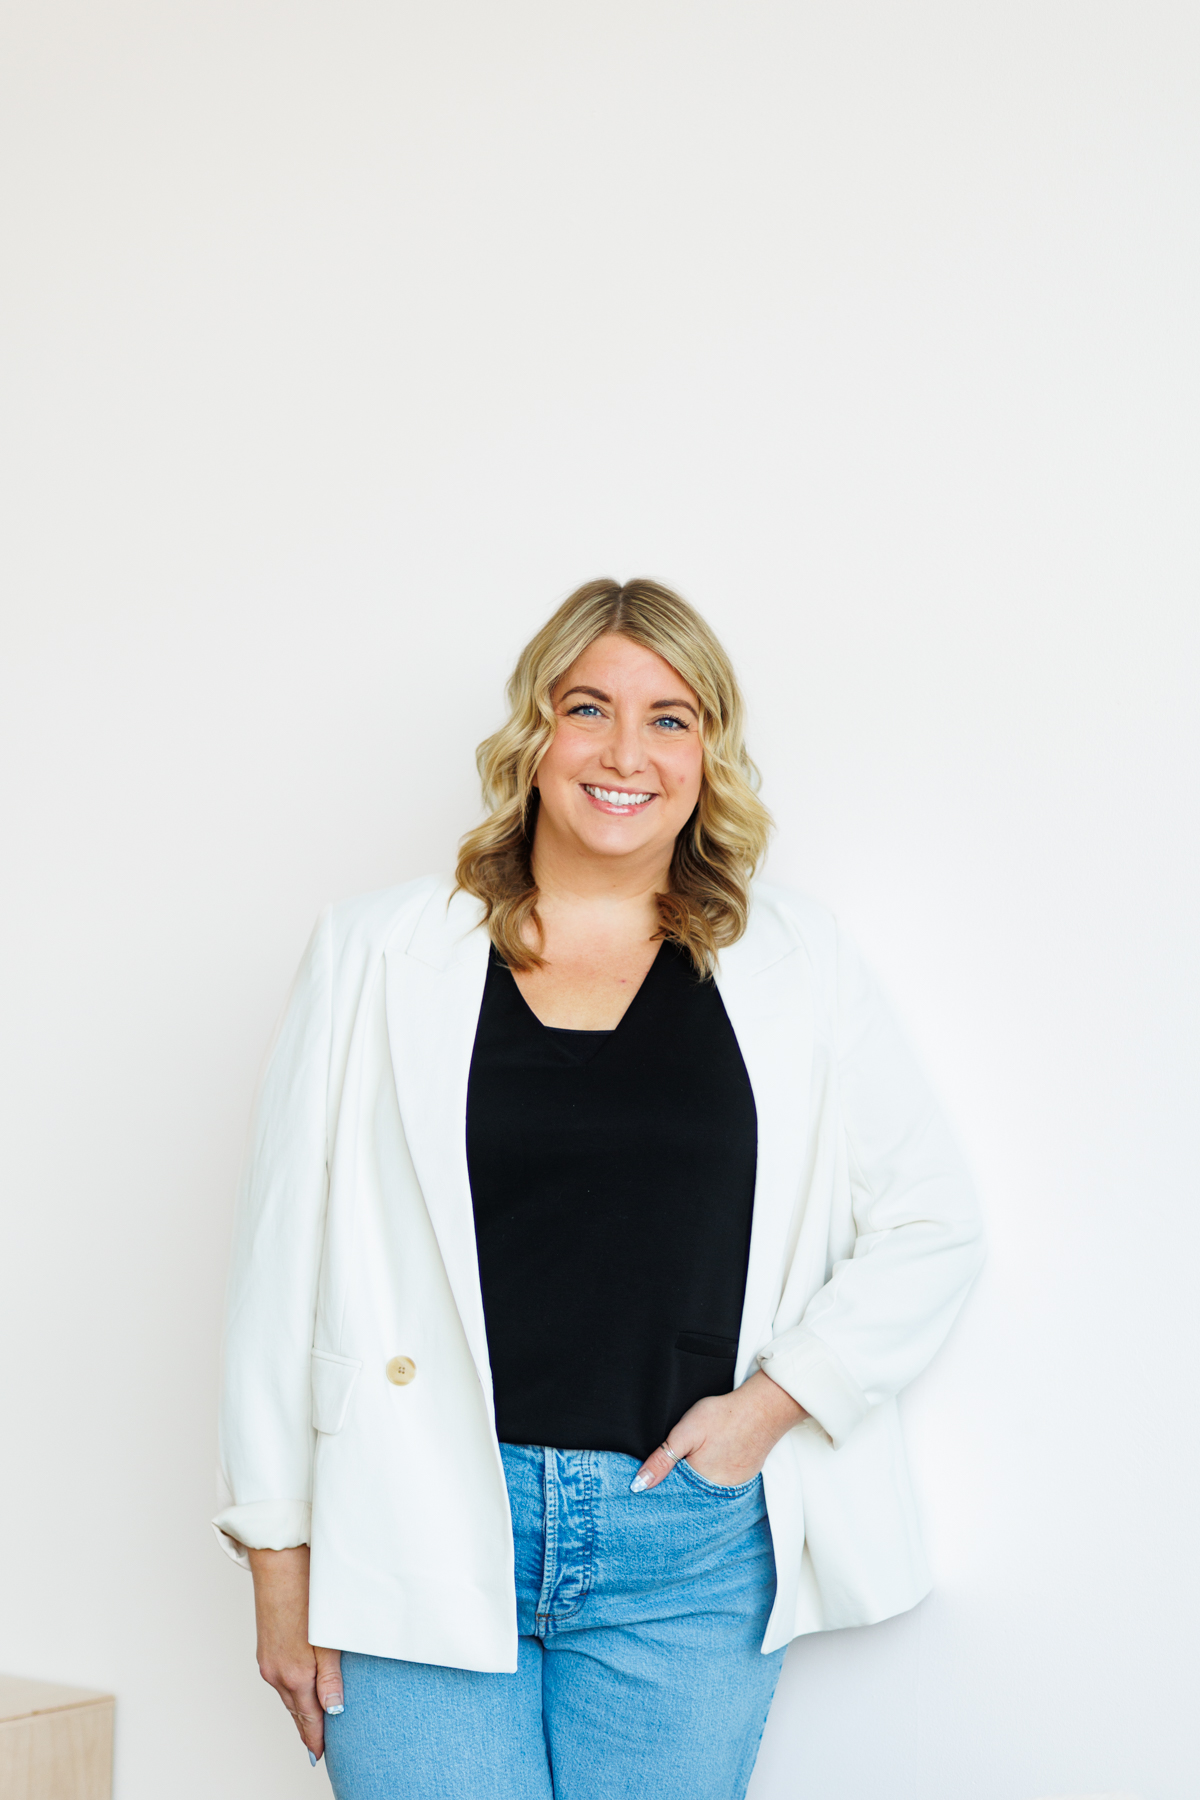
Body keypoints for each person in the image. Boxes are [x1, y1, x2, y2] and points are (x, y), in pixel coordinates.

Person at [213, 577, 984, 1800]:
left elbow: (934, 1224)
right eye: (589, 708)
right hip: (416, 1517)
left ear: (708, 754)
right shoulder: (374, 952)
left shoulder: (796, 963)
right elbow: (279, 1266)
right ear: (536, 736)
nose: (626, 752)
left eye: (671, 718)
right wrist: (276, 1559)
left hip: (683, 1544)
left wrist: (773, 1408)